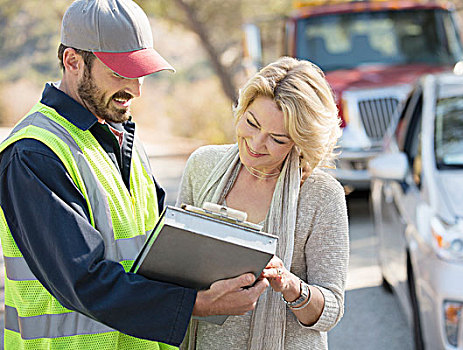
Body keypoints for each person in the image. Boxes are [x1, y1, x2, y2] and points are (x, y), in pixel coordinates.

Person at [0, 0, 268, 348]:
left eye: (139, 74)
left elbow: (155, 248)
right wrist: (197, 304)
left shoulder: (123, 136)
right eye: (120, 74)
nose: (136, 90)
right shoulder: (34, 153)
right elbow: (83, 279)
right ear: (73, 62)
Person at [177, 56, 350, 350]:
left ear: (301, 141)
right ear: (242, 109)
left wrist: (289, 285)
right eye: (252, 123)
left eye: (278, 139)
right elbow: (176, 270)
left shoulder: (322, 194)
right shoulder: (202, 166)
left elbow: (330, 309)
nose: (257, 144)